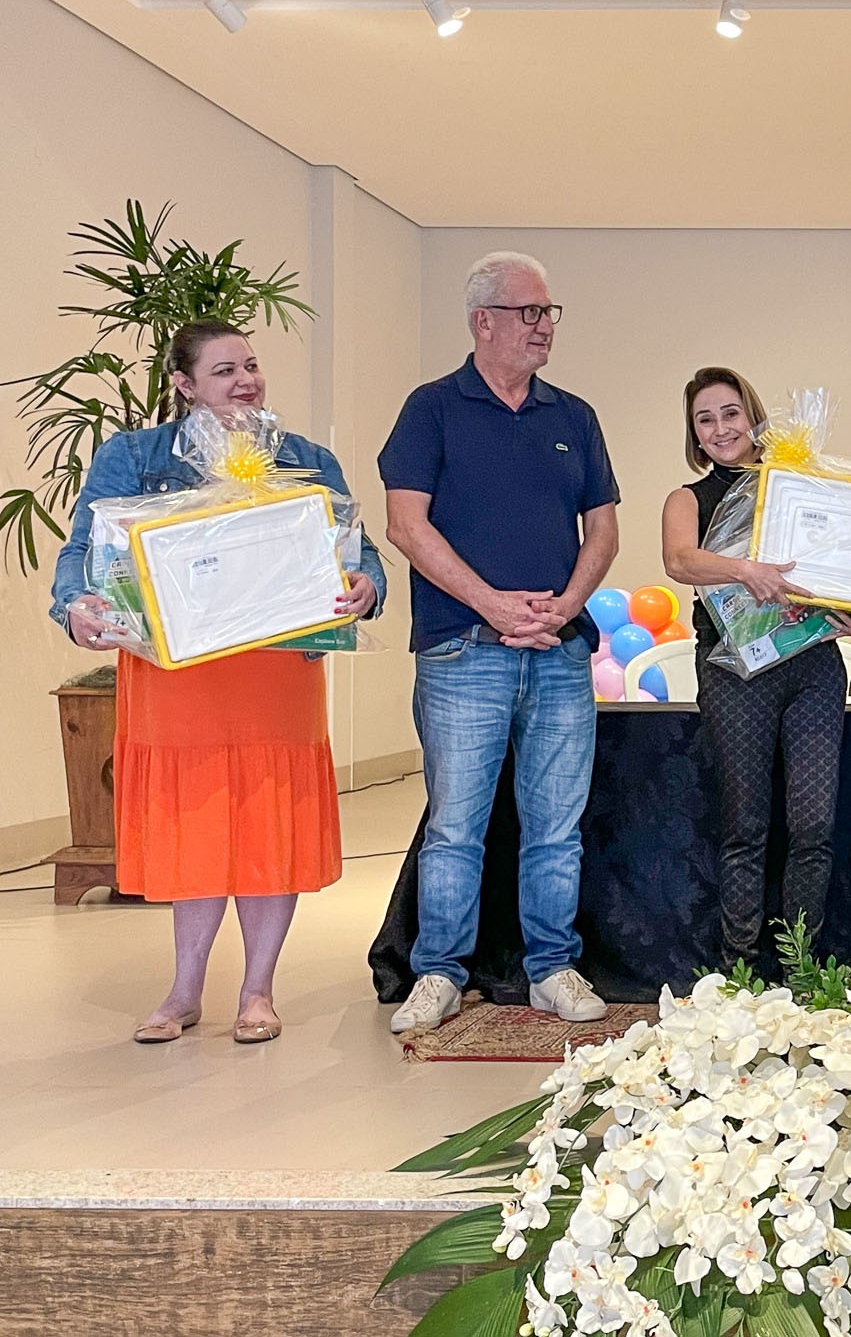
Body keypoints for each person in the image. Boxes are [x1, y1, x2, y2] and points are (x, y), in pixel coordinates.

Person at [49, 319, 385, 1044]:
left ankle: (258, 991)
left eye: (252, 366)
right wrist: (74, 605)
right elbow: (86, 549)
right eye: (225, 370)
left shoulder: (306, 459)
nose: (246, 381)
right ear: (184, 383)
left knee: (268, 822)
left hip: (275, 673)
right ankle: (183, 991)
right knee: (193, 824)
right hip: (176, 678)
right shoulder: (134, 457)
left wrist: (365, 584)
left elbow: (357, 553)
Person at [379, 251, 621, 1034]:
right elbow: (406, 526)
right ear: (483, 321)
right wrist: (494, 606)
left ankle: (551, 967)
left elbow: (603, 528)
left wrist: (565, 607)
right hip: (463, 651)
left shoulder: (573, 416)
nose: (545, 325)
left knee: (556, 828)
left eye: (549, 312)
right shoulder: (431, 410)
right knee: (455, 827)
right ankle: (438, 973)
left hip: (558, 653)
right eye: (529, 312)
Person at [660, 367, 851, 973]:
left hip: (812, 667)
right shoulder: (689, 499)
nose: (720, 429)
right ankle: (739, 968)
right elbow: (680, 560)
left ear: (753, 417)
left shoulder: (799, 489)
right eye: (705, 420)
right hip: (736, 673)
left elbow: (845, 568)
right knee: (745, 824)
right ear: (694, 434)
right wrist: (745, 571)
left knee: (813, 826)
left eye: (730, 413)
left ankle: (801, 966)